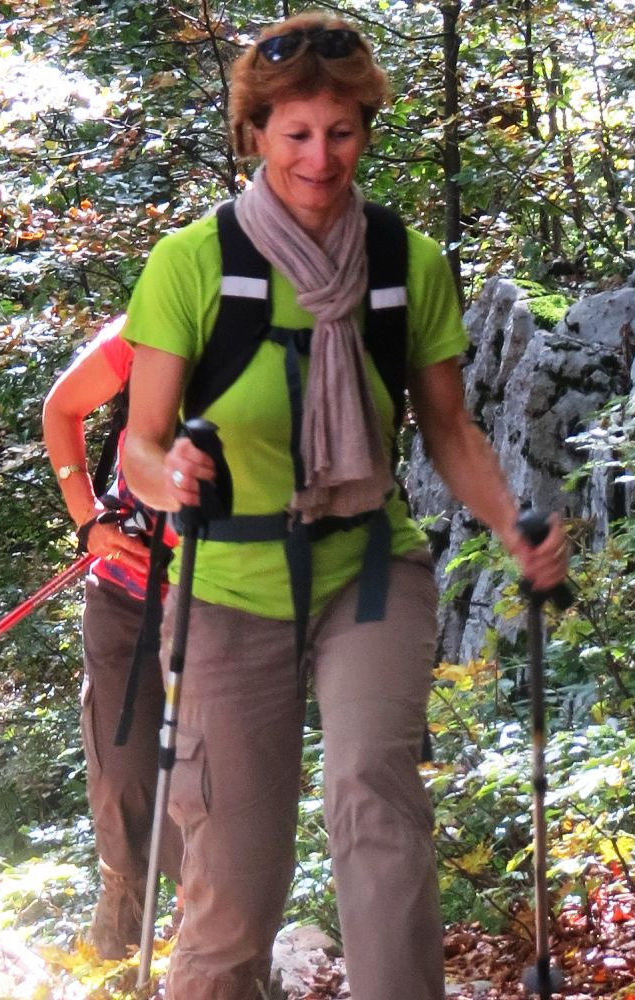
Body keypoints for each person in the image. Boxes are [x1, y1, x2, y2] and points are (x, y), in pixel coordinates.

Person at [119, 12, 570, 1000]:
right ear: (255, 135)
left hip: (367, 568)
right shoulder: (194, 264)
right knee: (236, 880)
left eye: (341, 132)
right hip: (228, 582)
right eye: (296, 135)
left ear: (367, 128)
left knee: (375, 801)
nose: (320, 158)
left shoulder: (406, 264)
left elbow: (448, 427)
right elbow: (139, 444)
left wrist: (514, 524)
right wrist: (171, 477)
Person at [42, 314, 183, 960]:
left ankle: (199, 934)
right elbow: (62, 408)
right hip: (124, 593)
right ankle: (120, 923)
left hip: (222, 601)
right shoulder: (146, 330)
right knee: (121, 767)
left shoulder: (279, 337)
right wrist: (88, 520)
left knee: (202, 778)